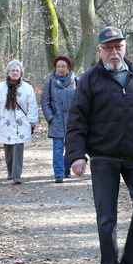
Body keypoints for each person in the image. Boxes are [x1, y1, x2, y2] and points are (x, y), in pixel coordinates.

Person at [65, 27, 133, 264]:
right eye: (108, 48)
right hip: (104, 157)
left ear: (125, 47)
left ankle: (132, 259)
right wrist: (76, 155)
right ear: (99, 50)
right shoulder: (89, 79)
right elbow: (76, 120)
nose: (114, 52)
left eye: (118, 46)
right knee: (106, 216)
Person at [0, 59, 39, 185]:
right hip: (5, 121)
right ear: (8, 72)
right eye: (13, 70)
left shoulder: (27, 88)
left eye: (17, 70)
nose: (15, 73)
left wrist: (32, 122)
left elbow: (32, 106)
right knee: (8, 149)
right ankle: (10, 172)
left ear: (21, 73)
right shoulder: (0, 88)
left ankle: (17, 175)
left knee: (18, 147)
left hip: (22, 122)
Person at [42, 55, 78, 183]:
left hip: (72, 121)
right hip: (57, 120)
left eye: (63, 66)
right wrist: (51, 118)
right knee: (58, 148)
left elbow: (81, 101)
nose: (60, 69)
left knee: (70, 146)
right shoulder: (49, 83)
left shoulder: (76, 82)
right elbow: (45, 103)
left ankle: (66, 168)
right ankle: (58, 173)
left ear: (68, 68)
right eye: (58, 66)